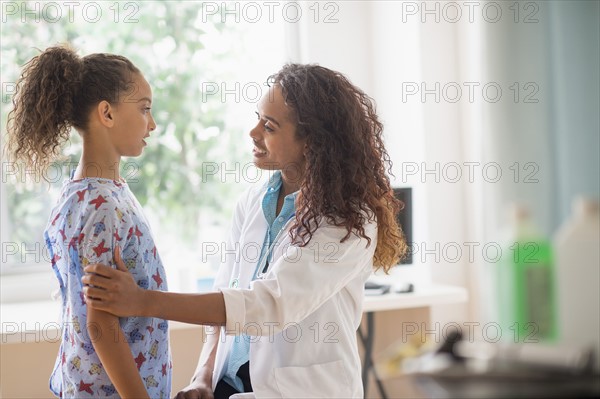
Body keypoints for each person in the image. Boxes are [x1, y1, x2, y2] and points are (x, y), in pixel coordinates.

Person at [82, 63, 406, 398]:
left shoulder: (347, 220)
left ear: (311, 141)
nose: (253, 133)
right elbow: (227, 292)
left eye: (269, 126)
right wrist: (204, 376)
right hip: (230, 386)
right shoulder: (254, 201)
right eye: (257, 119)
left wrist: (143, 301)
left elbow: (268, 305)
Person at [6, 45, 171, 398]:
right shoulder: (101, 205)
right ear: (107, 114)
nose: (152, 124)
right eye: (144, 109)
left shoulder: (92, 192)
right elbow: (100, 322)